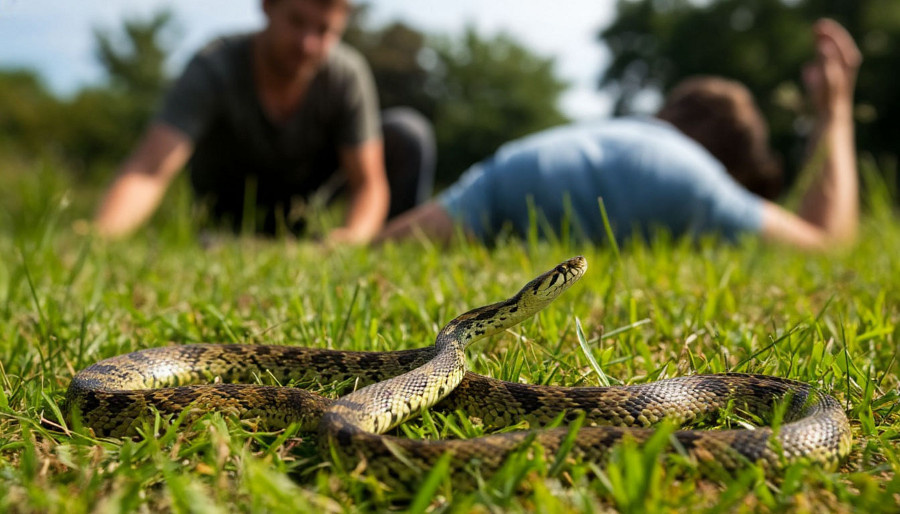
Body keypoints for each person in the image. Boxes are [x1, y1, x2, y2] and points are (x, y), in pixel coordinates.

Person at [376, 19, 860, 251]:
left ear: (667, 111)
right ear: (729, 162)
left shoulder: (607, 132)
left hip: (511, 172)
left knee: (385, 249)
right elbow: (827, 241)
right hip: (647, 195)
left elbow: (403, 241)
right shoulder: (697, 179)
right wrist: (833, 112)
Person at [94, 0, 435, 244]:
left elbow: (368, 185)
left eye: (324, 30)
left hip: (304, 213)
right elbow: (148, 169)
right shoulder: (214, 66)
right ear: (268, 7)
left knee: (407, 133)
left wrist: (350, 240)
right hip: (225, 221)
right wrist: (102, 237)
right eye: (297, 22)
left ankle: (388, 253)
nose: (307, 44)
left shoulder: (346, 75)